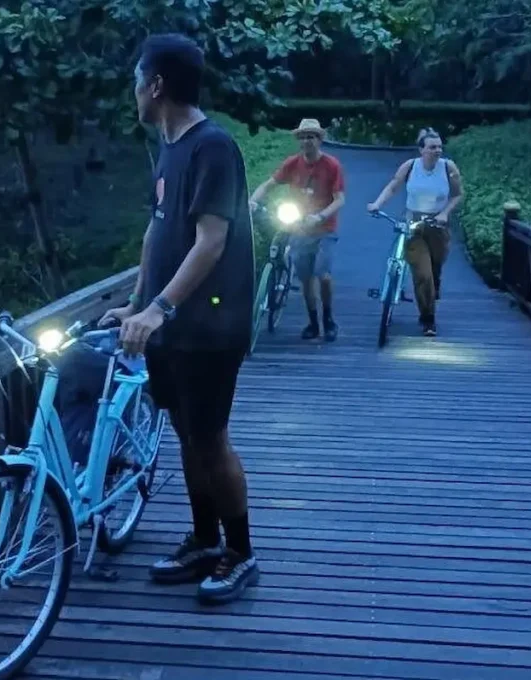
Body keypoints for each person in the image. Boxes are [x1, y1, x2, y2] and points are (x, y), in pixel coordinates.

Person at [99, 33, 257, 604]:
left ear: (156, 85)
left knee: (210, 439)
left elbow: (211, 241)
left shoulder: (213, 147)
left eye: (136, 81)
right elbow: (157, 230)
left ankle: (240, 552)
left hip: (211, 328)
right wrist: (137, 302)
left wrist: (159, 308)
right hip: (171, 328)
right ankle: (204, 540)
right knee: (187, 435)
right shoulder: (170, 147)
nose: (134, 91)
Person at [248, 118, 346, 342]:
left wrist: (320, 216)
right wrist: (253, 201)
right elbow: (269, 184)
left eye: (311, 137)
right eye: (303, 137)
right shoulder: (292, 163)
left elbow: (340, 199)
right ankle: (313, 322)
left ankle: (328, 319)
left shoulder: (331, 165)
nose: (306, 141)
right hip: (299, 228)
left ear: (319, 140)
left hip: (324, 229)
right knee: (305, 278)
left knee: (323, 275)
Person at [367, 127, 463, 336]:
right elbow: (393, 186)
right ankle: (428, 319)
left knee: (435, 270)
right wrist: (377, 204)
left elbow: (457, 195)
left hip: (438, 226)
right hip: (414, 224)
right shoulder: (410, 166)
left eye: (439, 147)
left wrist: (444, 213)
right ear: (422, 150)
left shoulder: (448, 167)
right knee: (423, 273)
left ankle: (431, 295)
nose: (437, 151)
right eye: (432, 147)